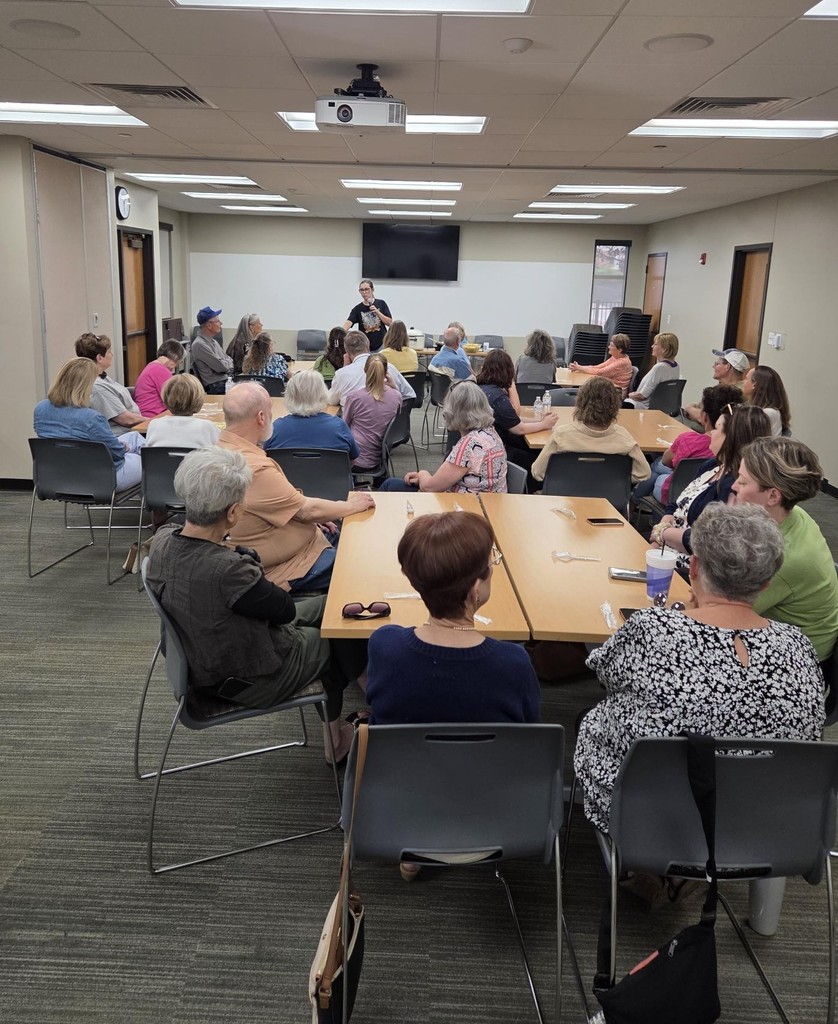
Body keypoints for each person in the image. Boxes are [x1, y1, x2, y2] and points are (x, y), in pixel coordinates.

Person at [573, 501, 824, 854]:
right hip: (767, 824)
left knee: (595, 717)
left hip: (648, 817)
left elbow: (605, 672)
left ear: (693, 567)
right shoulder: (798, 646)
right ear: (766, 582)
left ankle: (661, 871)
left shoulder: (653, 630)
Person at [145, 446, 361, 764]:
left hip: (206, 655)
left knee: (336, 604)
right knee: (342, 633)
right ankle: (337, 741)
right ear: (233, 513)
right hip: (247, 675)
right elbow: (284, 610)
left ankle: (340, 715)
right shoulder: (228, 569)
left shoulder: (163, 539)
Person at [366, 511, 541, 877]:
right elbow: (528, 738)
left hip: (404, 793)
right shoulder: (512, 662)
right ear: (476, 589)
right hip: (491, 800)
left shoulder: (384, 645)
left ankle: (416, 841)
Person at [217, 383, 374, 591]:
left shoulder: (218, 450)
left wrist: (308, 519)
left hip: (292, 545)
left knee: (343, 536)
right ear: (261, 417)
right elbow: (309, 510)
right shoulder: (254, 469)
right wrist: (350, 505)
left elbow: (287, 506)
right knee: (365, 563)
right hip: (289, 568)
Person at [733, 436, 838, 663]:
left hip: (796, 659)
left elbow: (727, 612)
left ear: (773, 496)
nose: (734, 487)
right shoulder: (794, 515)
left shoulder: (782, 559)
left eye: (742, 482)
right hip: (783, 637)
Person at [651, 404, 771, 565]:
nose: (711, 433)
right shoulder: (713, 465)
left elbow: (707, 540)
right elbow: (677, 504)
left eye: (717, 429)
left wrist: (662, 533)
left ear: (732, 439)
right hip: (666, 548)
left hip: (691, 565)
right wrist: (658, 538)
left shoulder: (734, 486)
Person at [34, 356, 144, 490]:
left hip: (57, 475)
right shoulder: (91, 418)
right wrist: (124, 448)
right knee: (150, 459)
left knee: (135, 437)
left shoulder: (40, 409)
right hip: (99, 478)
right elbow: (117, 453)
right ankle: (162, 500)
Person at [380, 381, 507, 495]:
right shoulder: (490, 433)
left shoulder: (470, 444)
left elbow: (431, 487)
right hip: (488, 503)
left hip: (463, 510)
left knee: (389, 485)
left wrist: (422, 474)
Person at [632, 384, 743, 504]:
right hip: (708, 497)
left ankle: (634, 502)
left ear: (704, 416)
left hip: (681, 495)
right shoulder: (742, 450)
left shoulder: (689, 441)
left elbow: (667, 461)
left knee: (657, 470)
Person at [531, 376, 650, 485]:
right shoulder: (624, 438)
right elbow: (644, 473)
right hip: (609, 501)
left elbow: (538, 472)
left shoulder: (562, 435)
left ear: (580, 403)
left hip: (566, 500)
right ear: (615, 406)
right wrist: (615, 480)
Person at [476, 348, 556, 484]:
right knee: (539, 458)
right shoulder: (498, 397)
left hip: (484, 444)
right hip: (496, 450)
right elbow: (518, 428)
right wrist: (544, 424)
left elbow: (511, 417)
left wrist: (537, 420)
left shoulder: (483, 388)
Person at [265, 370, 359, 459]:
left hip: (286, 475)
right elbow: (354, 456)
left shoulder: (276, 428)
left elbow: (264, 455)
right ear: (322, 393)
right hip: (331, 475)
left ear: (289, 395)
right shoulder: (338, 426)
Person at [74, 332, 144, 436]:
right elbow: (126, 420)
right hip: (124, 435)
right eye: (109, 352)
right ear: (99, 358)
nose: (112, 354)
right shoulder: (97, 387)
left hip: (134, 428)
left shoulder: (101, 377)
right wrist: (154, 421)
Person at [343, 353, 402, 470]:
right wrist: (395, 387)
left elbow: (344, 425)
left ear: (365, 371)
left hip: (356, 458)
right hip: (381, 455)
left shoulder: (355, 397)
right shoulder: (396, 396)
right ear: (386, 373)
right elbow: (397, 419)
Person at [327, 331, 415, 408]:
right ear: (368, 346)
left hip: (355, 426)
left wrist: (345, 368)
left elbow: (331, 400)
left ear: (346, 350)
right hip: (392, 425)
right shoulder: (389, 367)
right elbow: (409, 395)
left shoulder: (341, 374)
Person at [145, 372, 220, 448]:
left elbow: (149, 452)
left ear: (166, 397)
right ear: (199, 399)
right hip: (194, 459)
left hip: (160, 460)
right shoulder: (206, 426)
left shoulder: (154, 424)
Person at [683, 348, 749, 423]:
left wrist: (689, 409)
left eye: (717, 364)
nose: (713, 366)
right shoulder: (728, 387)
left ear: (727, 367)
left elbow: (705, 418)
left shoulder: (731, 393)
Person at [624, 332, 680, 409]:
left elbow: (642, 395)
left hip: (644, 406)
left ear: (664, 349)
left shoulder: (659, 368)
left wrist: (630, 395)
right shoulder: (676, 367)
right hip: (663, 406)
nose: (652, 346)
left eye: (655, 344)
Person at [569, 333, 634, 397]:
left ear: (620, 350)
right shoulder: (615, 357)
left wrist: (579, 368)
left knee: (585, 392)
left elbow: (600, 372)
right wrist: (578, 367)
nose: (609, 347)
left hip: (616, 392)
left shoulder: (622, 362)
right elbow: (597, 367)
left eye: (611, 345)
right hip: (608, 387)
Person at [133, 340, 185, 418]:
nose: (176, 366)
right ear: (174, 358)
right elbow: (175, 400)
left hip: (147, 414)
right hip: (154, 416)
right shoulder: (160, 370)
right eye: (178, 362)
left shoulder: (152, 366)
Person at [191, 306, 233, 395]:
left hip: (224, 380)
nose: (221, 323)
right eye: (218, 321)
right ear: (209, 325)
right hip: (216, 385)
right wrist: (226, 363)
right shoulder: (199, 345)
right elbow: (222, 367)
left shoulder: (213, 341)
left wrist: (226, 362)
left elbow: (229, 359)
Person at [343, 278, 392, 352]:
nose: (364, 292)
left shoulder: (381, 303)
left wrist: (377, 312)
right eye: (362, 290)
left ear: (372, 290)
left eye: (367, 289)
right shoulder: (357, 309)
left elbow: (390, 323)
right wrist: (340, 332)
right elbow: (349, 322)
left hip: (381, 344)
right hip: (365, 347)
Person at [742, 365, 791, 437]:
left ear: (754, 384)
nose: (743, 381)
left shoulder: (767, 413)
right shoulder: (753, 408)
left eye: (746, 379)